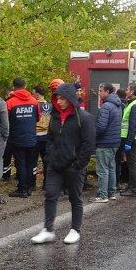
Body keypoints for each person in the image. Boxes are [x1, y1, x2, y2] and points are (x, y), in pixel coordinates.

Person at [31, 83, 96, 245]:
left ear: (70, 99)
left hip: (74, 167)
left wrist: (78, 165)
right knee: (50, 195)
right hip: (55, 165)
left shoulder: (84, 118)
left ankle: (75, 229)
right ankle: (48, 230)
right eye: (57, 98)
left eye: (62, 99)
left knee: (75, 198)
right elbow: (50, 138)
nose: (58, 102)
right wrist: (49, 157)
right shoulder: (54, 117)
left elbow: (88, 144)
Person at [6, 78, 41, 197]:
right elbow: (38, 118)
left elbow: (6, 120)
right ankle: (30, 187)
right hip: (31, 136)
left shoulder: (10, 102)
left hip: (17, 137)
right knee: (30, 162)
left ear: (14, 87)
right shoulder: (34, 101)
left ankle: (22, 189)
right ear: (25, 86)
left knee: (20, 163)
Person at [93, 83, 122, 202]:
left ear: (107, 92)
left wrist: (93, 136)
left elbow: (101, 126)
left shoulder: (106, 106)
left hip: (105, 142)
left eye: (101, 91)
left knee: (102, 169)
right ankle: (111, 193)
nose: (99, 93)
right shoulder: (118, 105)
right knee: (111, 168)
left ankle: (103, 195)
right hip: (115, 142)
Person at [117, 84, 136, 196]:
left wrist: (128, 142)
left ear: (132, 91)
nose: (126, 91)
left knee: (132, 164)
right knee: (130, 164)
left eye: (127, 90)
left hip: (133, 140)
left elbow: (133, 126)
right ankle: (130, 186)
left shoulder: (135, 105)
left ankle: (133, 189)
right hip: (132, 139)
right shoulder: (133, 103)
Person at [34, 84, 52, 188]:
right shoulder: (49, 105)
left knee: (33, 161)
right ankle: (46, 183)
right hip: (47, 136)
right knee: (47, 161)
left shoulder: (34, 105)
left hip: (36, 135)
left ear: (37, 94)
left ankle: (32, 184)